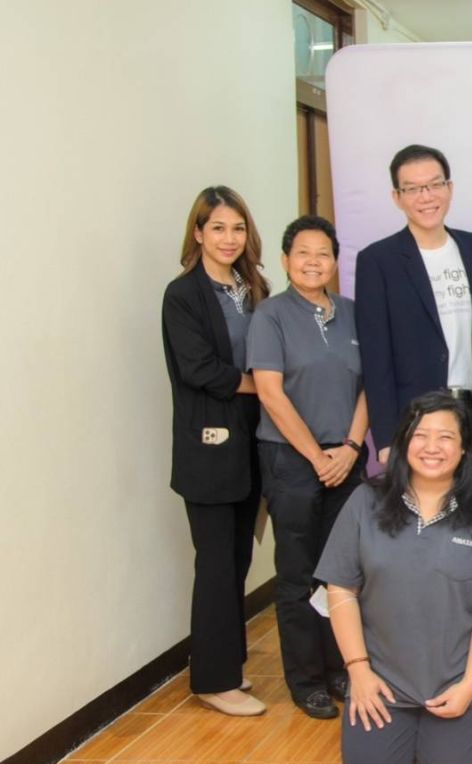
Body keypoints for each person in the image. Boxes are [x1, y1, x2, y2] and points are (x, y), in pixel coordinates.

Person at [315, 391, 472, 764]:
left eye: (446, 437)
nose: (432, 447)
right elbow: (341, 589)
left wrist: (470, 685)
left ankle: (439, 735)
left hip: (457, 680)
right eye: (421, 435)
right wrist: (359, 671)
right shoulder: (365, 501)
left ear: (464, 448)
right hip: (381, 680)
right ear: (404, 442)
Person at [246, 215, 369, 719]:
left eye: (323, 253)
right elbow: (270, 394)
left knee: (341, 571)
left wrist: (352, 447)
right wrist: (317, 457)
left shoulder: (354, 313)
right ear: (284, 260)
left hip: (346, 458)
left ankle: (340, 666)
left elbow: (371, 385)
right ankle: (306, 680)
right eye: (303, 253)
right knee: (298, 574)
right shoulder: (270, 316)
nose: (313, 262)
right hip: (291, 460)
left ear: (335, 262)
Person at [161, 186, 271, 716]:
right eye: (219, 228)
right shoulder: (183, 295)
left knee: (238, 559)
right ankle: (213, 680)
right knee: (216, 564)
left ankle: (225, 664)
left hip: (252, 444)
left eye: (238, 228)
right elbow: (199, 369)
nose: (229, 238)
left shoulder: (254, 289)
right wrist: (265, 386)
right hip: (209, 450)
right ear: (198, 232)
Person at [355, 144, 472, 463]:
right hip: (417, 417)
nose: (426, 197)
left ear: (450, 188)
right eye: (413, 189)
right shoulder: (378, 260)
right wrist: (386, 438)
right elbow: (376, 357)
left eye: (434, 185)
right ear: (397, 197)